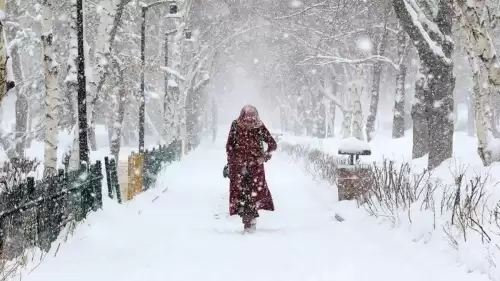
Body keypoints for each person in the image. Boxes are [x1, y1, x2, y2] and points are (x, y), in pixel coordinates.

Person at [225, 105, 277, 232]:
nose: (249, 119)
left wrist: (233, 161)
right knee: (253, 193)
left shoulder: (236, 125)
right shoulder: (258, 125)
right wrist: (265, 157)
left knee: (242, 193)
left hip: (240, 167)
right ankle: (250, 219)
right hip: (255, 167)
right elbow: (272, 144)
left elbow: (229, 146)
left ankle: (247, 220)